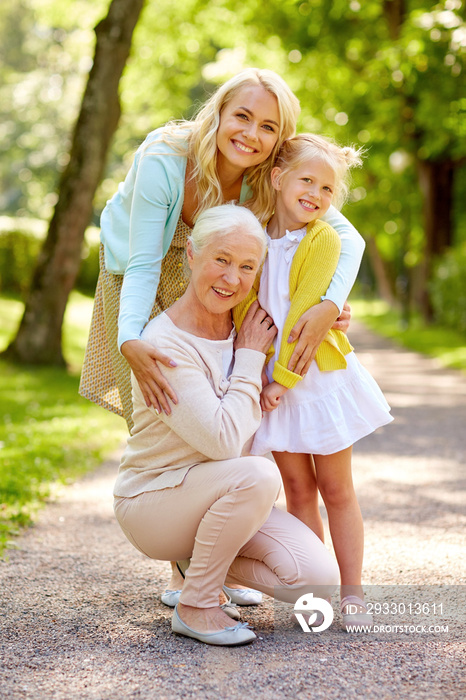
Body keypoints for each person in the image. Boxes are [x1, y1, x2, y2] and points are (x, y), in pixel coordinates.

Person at [79, 67, 363, 605]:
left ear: (280, 142)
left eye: (267, 127)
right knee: (166, 405)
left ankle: (210, 562)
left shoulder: (267, 174)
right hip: (139, 274)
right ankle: (185, 575)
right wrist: (130, 339)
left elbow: (345, 236)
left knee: (216, 407)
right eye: (242, 117)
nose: (251, 135)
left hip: (217, 272)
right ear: (218, 113)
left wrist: (328, 303)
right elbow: (143, 262)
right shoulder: (166, 159)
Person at [113, 204, 339, 646]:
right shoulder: (165, 345)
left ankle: (199, 565)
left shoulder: (247, 327)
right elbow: (223, 441)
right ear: (192, 256)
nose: (232, 279)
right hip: (153, 502)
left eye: (246, 267)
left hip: (218, 499)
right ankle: (196, 604)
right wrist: (252, 359)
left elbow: (329, 248)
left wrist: (331, 309)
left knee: (316, 582)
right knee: (256, 474)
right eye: (221, 259)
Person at [233, 134, 393, 631]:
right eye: (307, 181)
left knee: (337, 489)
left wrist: (281, 379)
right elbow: (245, 305)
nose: (317, 195)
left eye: (327, 188)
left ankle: (353, 593)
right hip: (273, 382)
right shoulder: (253, 232)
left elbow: (304, 312)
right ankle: (314, 594)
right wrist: (253, 367)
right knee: (298, 491)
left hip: (313, 378)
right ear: (278, 178)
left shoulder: (322, 238)